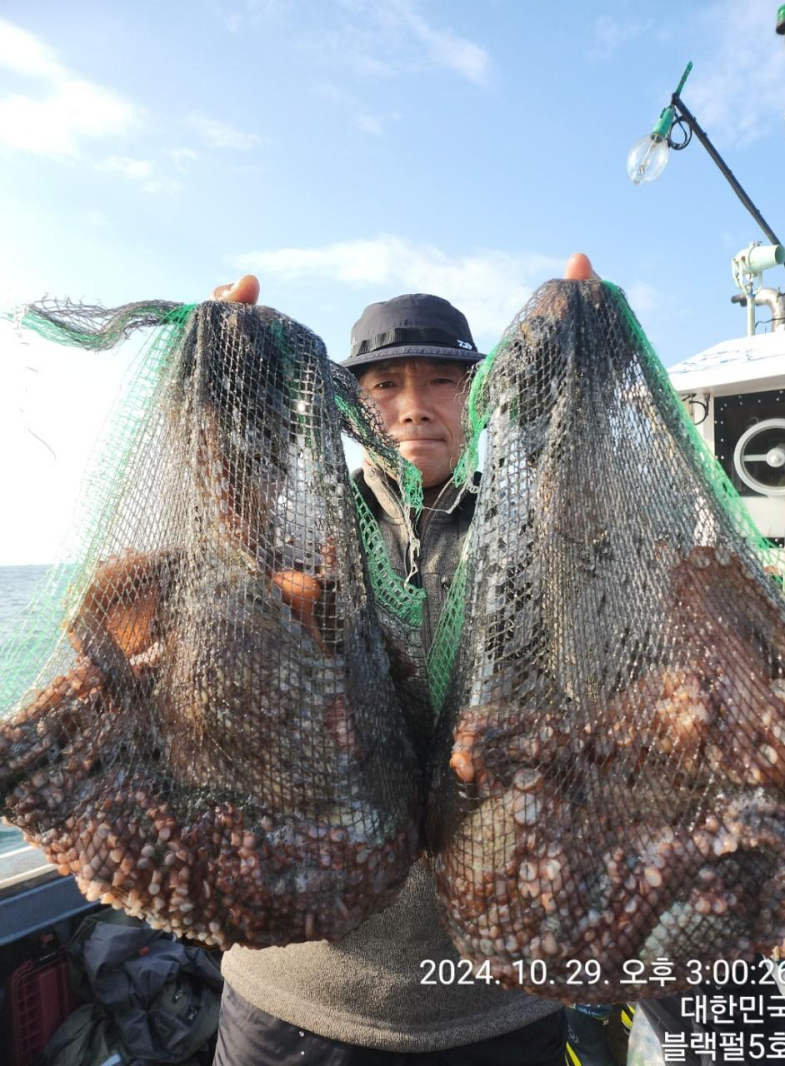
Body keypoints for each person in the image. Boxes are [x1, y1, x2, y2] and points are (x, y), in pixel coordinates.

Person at [204, 255, 598, 1065]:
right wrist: (219, 405)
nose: (414, 408)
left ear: (481, 396)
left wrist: (580, 395)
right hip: (296, 996)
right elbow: (211, 611)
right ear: (350, 406)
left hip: (496, 1004)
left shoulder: (541, 544)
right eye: (385, 386)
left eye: (443, 382)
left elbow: (612, 629)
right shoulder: (296, 537)